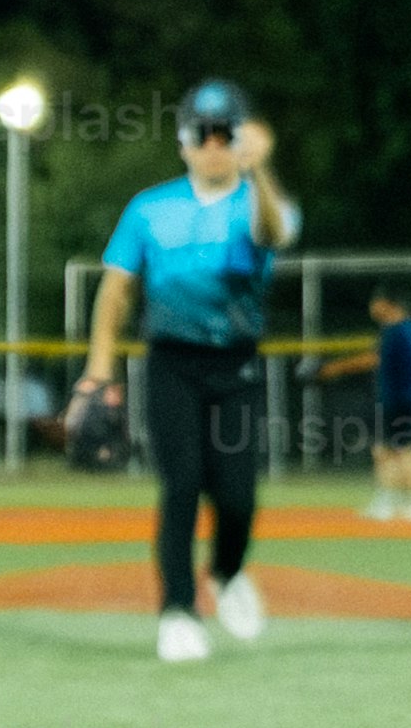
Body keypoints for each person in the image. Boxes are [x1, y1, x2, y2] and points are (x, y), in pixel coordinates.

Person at [70, 80, 296, 663]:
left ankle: (226, 573)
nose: (214, 144)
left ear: (240, 139)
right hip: (171, 363)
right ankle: (176, 610)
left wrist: (261, 171)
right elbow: (117, 290)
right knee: (182, 485)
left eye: (227, 133)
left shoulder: (258, 200)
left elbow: (274, 233)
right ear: (184, 141)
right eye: (204, 133)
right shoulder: (150, 208)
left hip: (236, 362)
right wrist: (98, 370)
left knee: (239, 494)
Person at [339, 284, 411, 522]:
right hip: (410, 397)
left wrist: (334, 368)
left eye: (376, 301)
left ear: (388, 304)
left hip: (396, 399)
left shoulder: (396, 330)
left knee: (397, 451)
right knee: (390, 450)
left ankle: (405, 504)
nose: (373, 307)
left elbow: (375, 359)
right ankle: (396, 503)